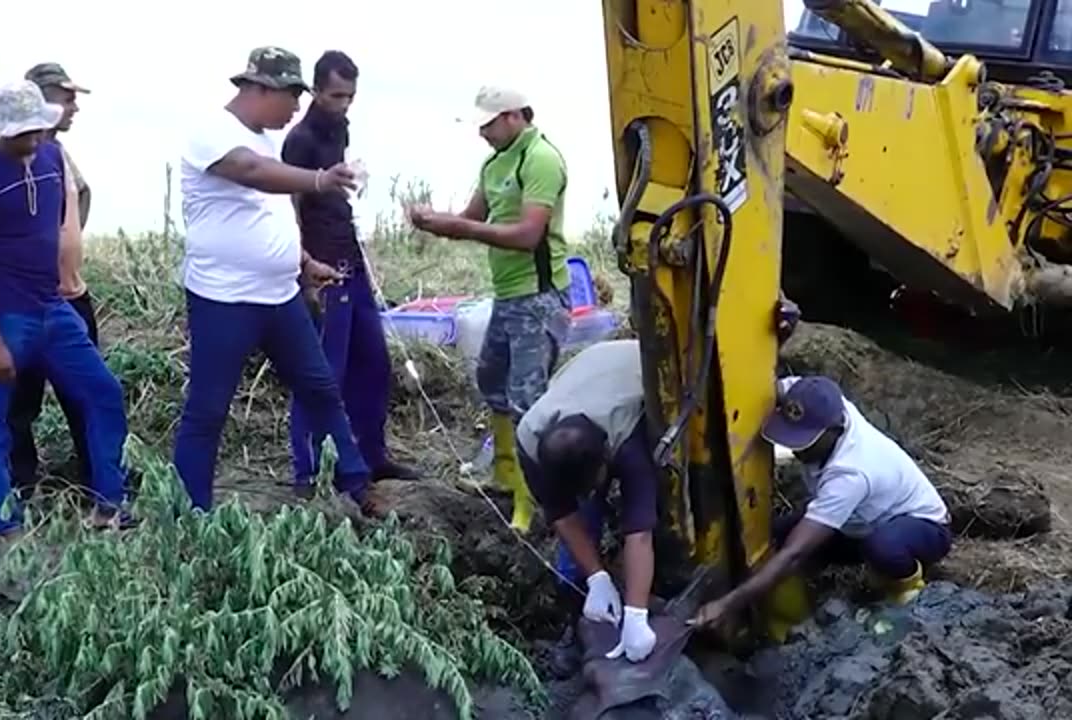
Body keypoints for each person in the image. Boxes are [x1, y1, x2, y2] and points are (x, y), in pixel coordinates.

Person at [172, 46, 380, 516]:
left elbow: (268, 212)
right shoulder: (211, 133)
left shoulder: (265, 139)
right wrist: (321, 179)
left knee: (321, 387)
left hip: (279, 295)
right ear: (259, 89)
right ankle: (188, 511)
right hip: (224, 298)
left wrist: (303, 261)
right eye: (290, 95)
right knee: (208, 408)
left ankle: (356, 484)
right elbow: (252, 174)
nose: (294, 107)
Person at [0, 80, 130, 537]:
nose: (33, 140)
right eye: (23, 133)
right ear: (3, 130)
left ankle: (109, 506)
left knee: (104, 393)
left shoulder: (51, 156)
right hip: (6, 319)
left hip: (54, 308)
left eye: (38, 130)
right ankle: (2, 525)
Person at [407, 85, 572, 532]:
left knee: (526, 399)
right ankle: (503, 472)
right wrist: (436, 221)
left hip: (539, 296)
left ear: (515, 116)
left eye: (489, 123)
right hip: (507, 294)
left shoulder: (539, 159)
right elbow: (473, 217)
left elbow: (527, 235)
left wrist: (460, 227)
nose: (482, 132)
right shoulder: (495, 161)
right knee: (491, 378)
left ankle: (531, 500)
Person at [0, 62, 95, 499]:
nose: (74, 108)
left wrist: (65, 240)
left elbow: (82, 193)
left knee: (85, 396)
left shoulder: (56, 155)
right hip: (20, 305)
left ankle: (97, 487)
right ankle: (20, 491)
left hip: (68, 295)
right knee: (18, 406)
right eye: (67, 99)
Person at [691, 374, 953, 630]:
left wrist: (728, 604)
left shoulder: (851, 474)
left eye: (805, 441)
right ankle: (790, 622)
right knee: (774, 535)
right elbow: (776, 387)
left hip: (924, 528)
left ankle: (906, 597)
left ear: (835, 430)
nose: (796, 449)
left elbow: (795, 555)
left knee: (881, 547)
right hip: (861, 522)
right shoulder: (819, 401)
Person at [280, 50, 417, 494]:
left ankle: (370, 456)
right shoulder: (299, 140)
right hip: (323, 267)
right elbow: (290, 204)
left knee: (373, 365)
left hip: (351, 261)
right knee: (323, 374)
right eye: (337, 95)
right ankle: (310, 471)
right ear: (316, 91)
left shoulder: (341, 127)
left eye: (351, 96)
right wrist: (303, 269)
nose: (344, 104)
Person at [516, 339, 659, 662]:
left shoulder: (629, 443)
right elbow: (562, 513)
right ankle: (576, 621)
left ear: (607, 459)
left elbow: (640, 532)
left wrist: (637, 614)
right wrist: (597, 577)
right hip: (587, 374)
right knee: (579, 539)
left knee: (650, 506)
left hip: (634, 369)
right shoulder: (530, 440)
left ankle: (642, 600)